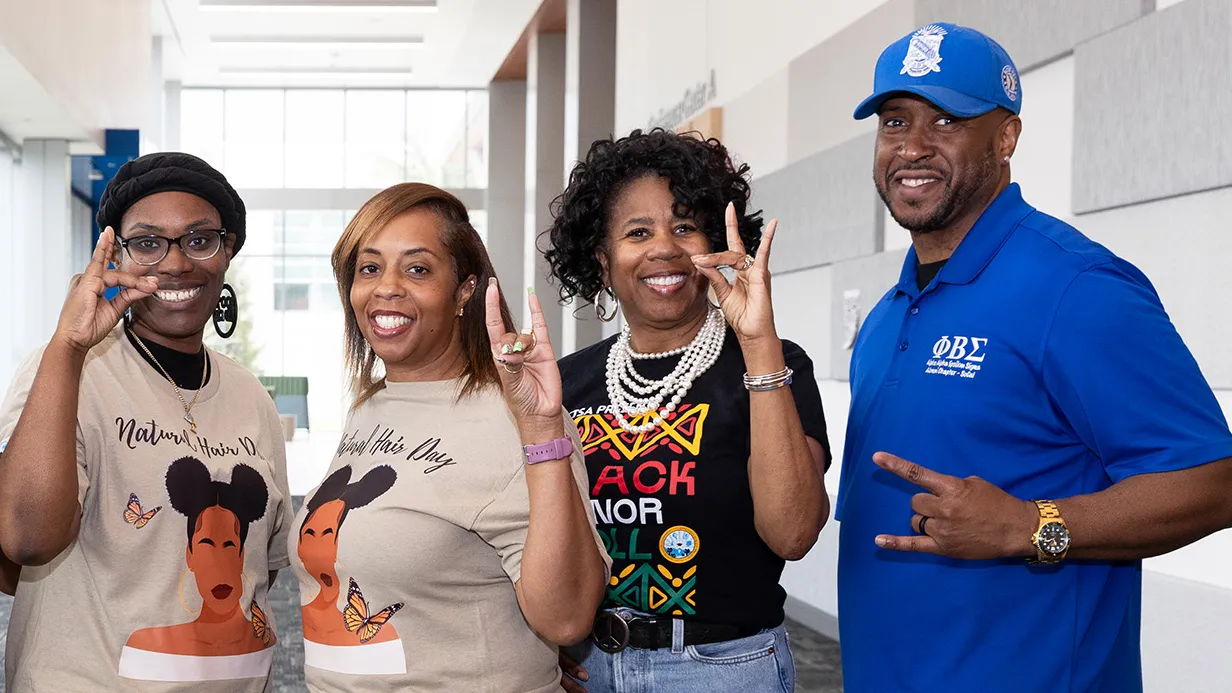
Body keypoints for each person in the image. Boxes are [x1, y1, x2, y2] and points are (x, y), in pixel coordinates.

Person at [838, 23, 1232, 693]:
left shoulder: (1076, 287)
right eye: (895, 120)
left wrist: (1031, 525)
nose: (912, 146)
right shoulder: (884, 316)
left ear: (1006, 137)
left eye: (947, 120)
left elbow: (1211, 481)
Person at [290, 182, 609, 691]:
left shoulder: (513, 416)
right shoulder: (372, 406)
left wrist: (543, 430)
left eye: (417, 269)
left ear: (464, 290)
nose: (387, 287)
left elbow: (567, 619)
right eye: (369, 268)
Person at [546, 129, 831, 692]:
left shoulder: (774, 364)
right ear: (604, 262)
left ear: (715, 246)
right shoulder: (567, 382)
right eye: (637, 232)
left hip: (724, 669)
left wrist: (758, 345)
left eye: (684, 227)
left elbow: (794, 534)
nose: (664, 248)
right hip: (589, 667)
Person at [0, 152, 291, 690]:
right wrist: (67, 345)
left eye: (200, 239)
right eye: (148, 242)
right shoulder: (67, 372)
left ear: (227, 251)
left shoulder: (250, 395)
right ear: (116, 255)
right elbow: (24, 542)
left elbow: (260, 566)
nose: (176, 263)